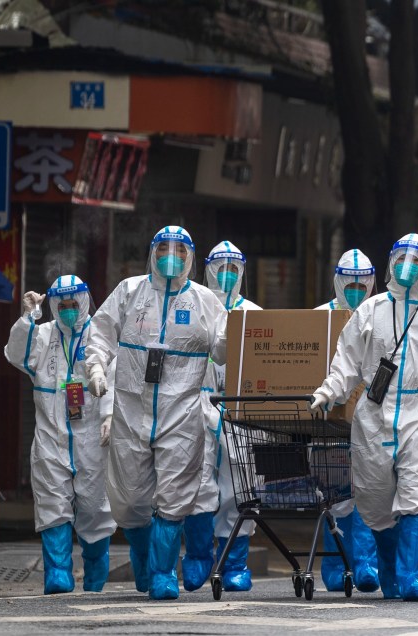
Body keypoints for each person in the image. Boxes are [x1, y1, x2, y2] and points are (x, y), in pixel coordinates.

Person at [308, 233, 418, 602]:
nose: (407, 265)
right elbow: (347, 362)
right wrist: (329, 391)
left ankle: (414, 578)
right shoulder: (369, 311)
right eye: (401, 257)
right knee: (374, 500)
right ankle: (390, 570)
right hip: (374, 414)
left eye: (416, 259)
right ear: (390, 262)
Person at [84, 226, 228, 601]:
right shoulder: (130, 292)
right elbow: (99, 332)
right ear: (152, 252)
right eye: (163, 248)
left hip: (182, 412)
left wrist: (235, 330)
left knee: (175, 495)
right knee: (129, 501)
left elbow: (225, 352)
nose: (171, 255)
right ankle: (143, 550)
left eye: (179, 250)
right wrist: (97, 368)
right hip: (131, 409)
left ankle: (163, 572)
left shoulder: (205, 301)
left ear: (190, 257)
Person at [4, 275, 116, 594]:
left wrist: (109, 415)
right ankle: (57, 574)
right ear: (53, 305)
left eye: (73, 304)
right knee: (53, 505)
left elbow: (114, 373)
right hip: (51, 438)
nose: (67, 310)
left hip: (92, 439)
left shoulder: (100, 334)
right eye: (61, 305)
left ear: (84, 302)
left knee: (95, 510)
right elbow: (17, 356)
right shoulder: (42, 335)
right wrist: (27, 318)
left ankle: (95, 572)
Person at [182, 240, 262, 593]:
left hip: (241, 410)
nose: (226, 276)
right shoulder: (194, 305)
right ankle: (199, 557)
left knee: (240, 487)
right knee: (196, 482)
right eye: (220, 268)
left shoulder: (255, 315)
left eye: (234, 269)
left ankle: (234, 564)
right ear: (207, 269)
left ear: (242, 273)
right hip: (197, 405)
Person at [313, 249, 380, 594]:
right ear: (337, 280)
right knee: (336, 494)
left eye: (362, 284)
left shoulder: (381, 316)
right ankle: (336, 565)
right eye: (349, 284)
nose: (355, 290)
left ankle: (367, 563)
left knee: (370, 489)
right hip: (330, 420)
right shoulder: (318, 320)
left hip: (371, 416)